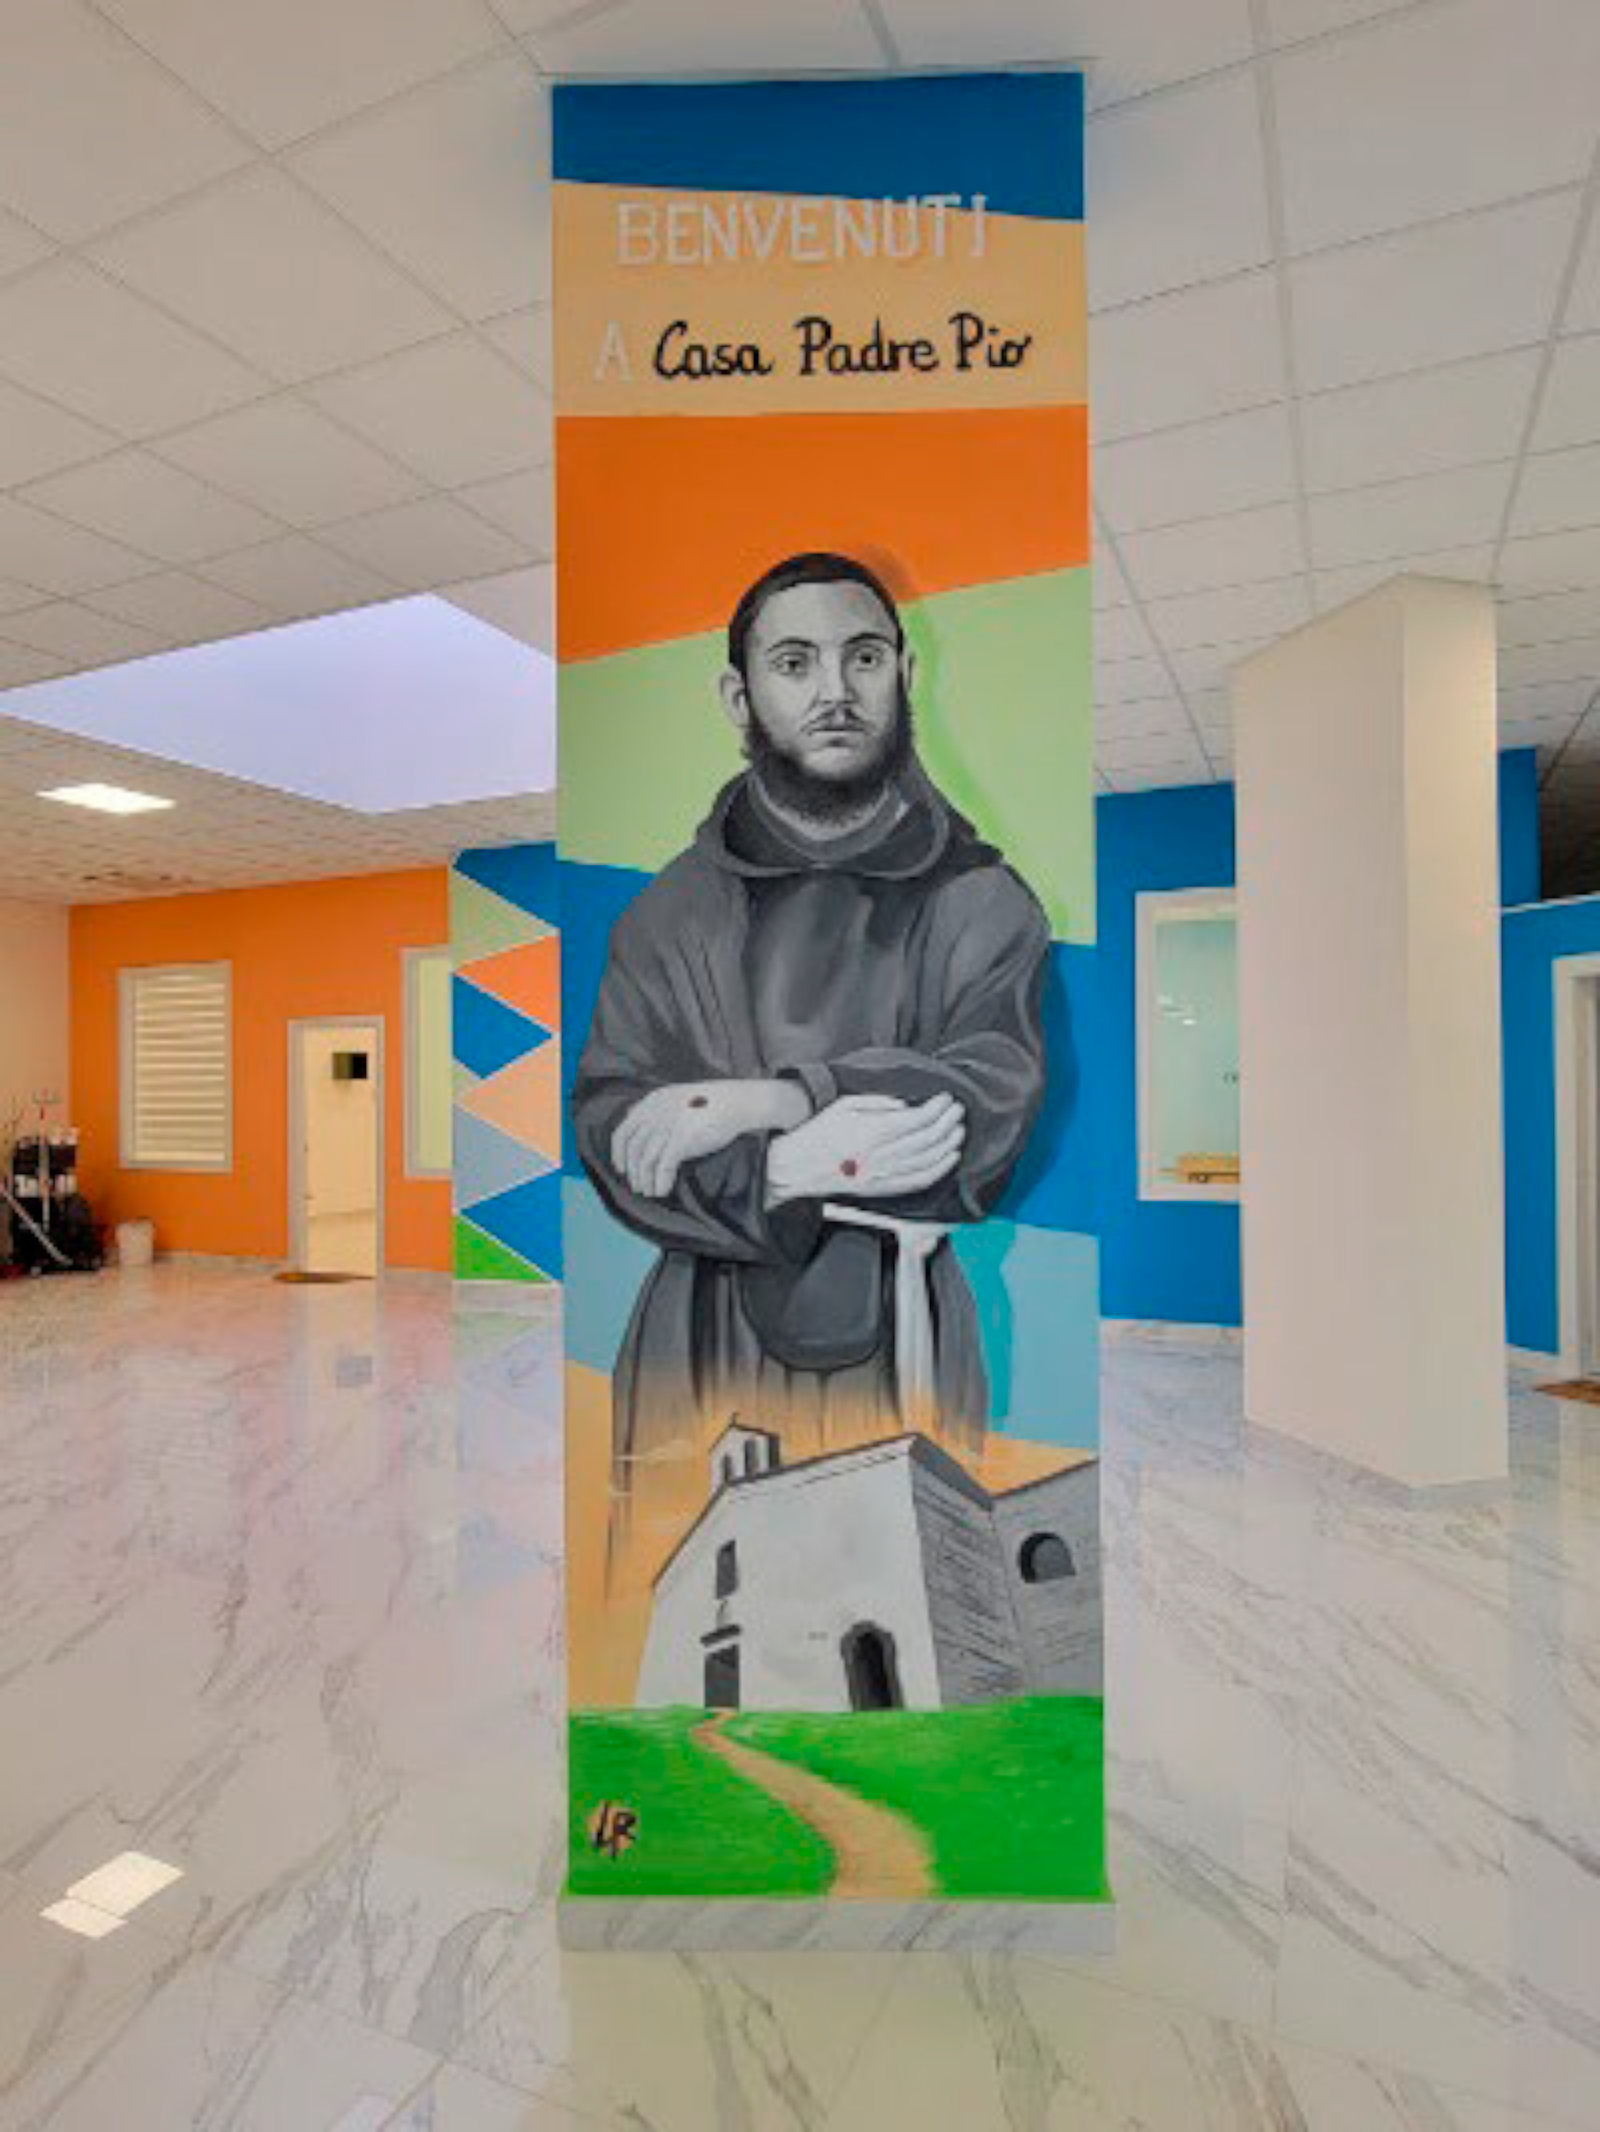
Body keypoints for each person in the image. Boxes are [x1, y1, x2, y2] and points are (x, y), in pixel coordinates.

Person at [572, 550, 1051, 1501]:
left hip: (904, 1338)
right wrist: (788, 1167)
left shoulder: (981, 899)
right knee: (684, 1583)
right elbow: (615, 1126)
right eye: (794, 663)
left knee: (911, 1582)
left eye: (862, 658)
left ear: (904, 675)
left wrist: (774, 1101)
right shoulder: (667, 914)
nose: (835, 691)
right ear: (739, 696)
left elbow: (986, 1102)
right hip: (696, 1345)